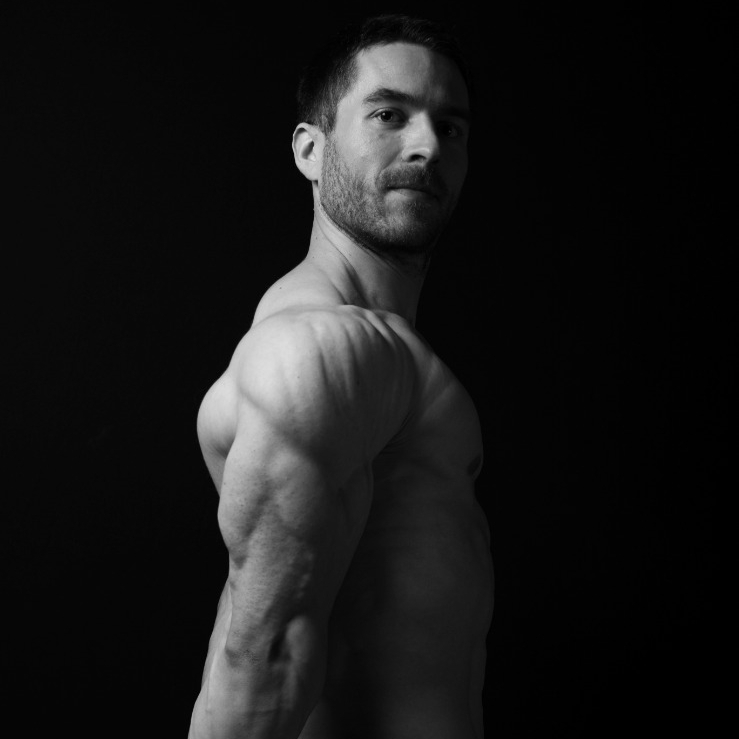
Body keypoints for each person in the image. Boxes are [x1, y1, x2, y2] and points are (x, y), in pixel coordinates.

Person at [188, 14, 494, 739]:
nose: (426, 145)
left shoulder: (381, 352)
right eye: (388, 115)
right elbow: (260, 659)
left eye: (449, 127)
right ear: (310, 150)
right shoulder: (319, 350)